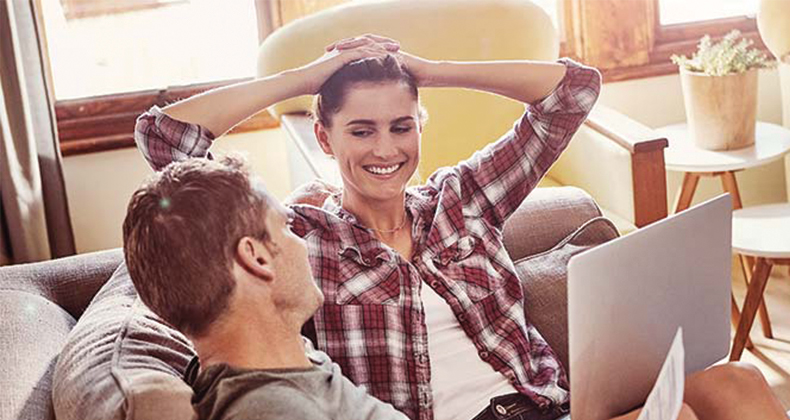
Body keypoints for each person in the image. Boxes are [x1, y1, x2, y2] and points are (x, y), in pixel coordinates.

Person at [133, 34, 787, 420]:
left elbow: (574, 92)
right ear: (325, 140)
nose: (385, 148)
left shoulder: (462, 198)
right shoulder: (305, 240)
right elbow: (165, 138)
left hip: (551, 409)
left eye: (401, 125)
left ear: (421, 126)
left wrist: (431, 71)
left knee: (738, 382)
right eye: (360, 130)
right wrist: (306, 79)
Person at [123, 155, 409, 420]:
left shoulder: (285, 356)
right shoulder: (275, 411)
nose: (301, 242)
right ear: (257, 257)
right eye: (286, 226)